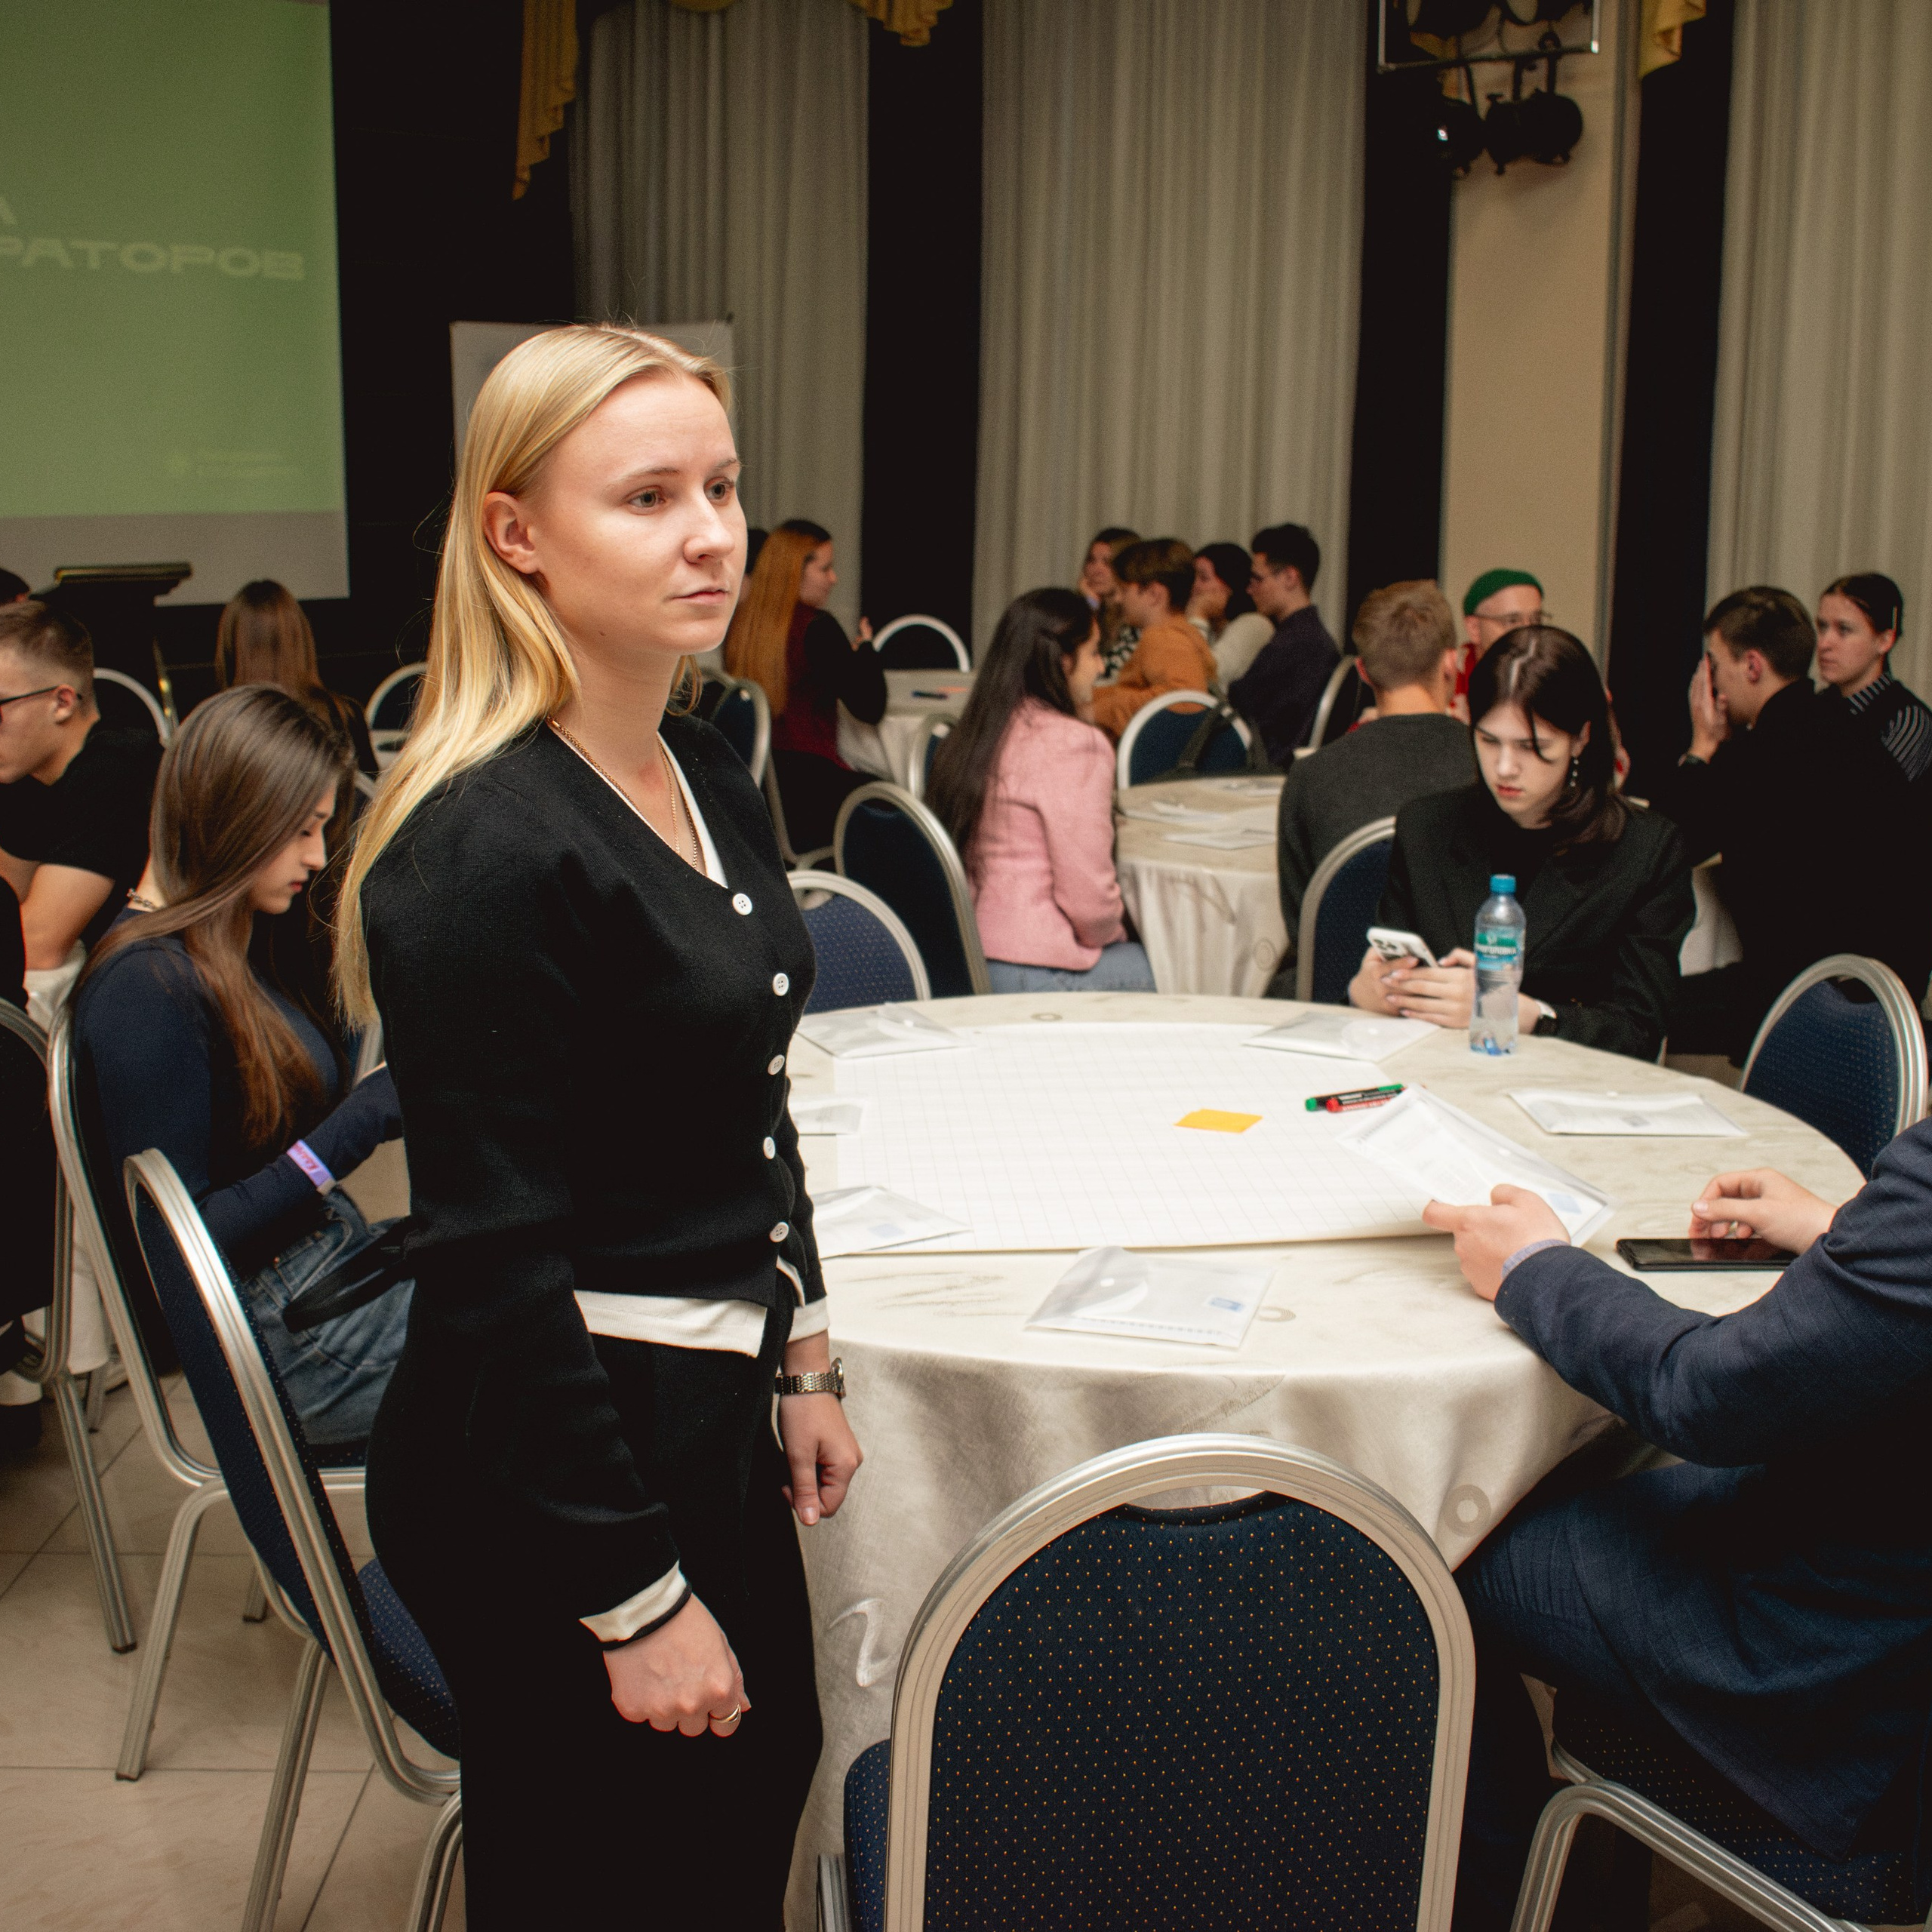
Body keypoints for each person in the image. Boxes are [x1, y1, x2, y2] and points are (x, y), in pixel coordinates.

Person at [334, 324, 861, 1927]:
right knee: (613, 1872)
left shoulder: (700, 759)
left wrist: (805, 1345)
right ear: (516, 536)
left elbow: (745, 1098)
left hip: (698, 1399)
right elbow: (493, 1264)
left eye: (721, 485)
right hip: (553, 1454)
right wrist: (628, 1600)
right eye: (645, 496)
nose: (711, 532)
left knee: (732, 1822)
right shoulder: (480, 841)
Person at [1423, 1126, 1932, 1932]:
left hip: (1844, 1676)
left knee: (1438, 1563)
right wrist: (1856, 1236)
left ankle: (1521, 1904)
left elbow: (1704, 1393)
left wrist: (1534, 1267)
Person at [70, 687, 410, 1444]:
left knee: (553, 1280)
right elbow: (186, 1240)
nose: (317, 857)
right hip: (291, 1342)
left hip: (313, 1284)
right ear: (235, 816)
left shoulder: (208, 948)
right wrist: (356, 1125)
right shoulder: (145, 987)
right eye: (300, 831)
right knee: (567, 1338)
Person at [1350, 626, 1693, 1062]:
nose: (1505, 768)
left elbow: (1638, 1032)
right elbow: (1389, 962)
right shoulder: (1429, 827)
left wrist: (1523, 1014)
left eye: (1532, 747)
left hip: (1571, 1092)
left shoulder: (1646, 852)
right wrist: (1370, 990)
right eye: (1489, 741)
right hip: (1435, 1076)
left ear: (1582, 739)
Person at [1654, 586, 1924, 1060]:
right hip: (1881, 995)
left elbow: (1660, 849)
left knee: (1640, 1006)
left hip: (1809, 1001)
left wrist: (1700, 748)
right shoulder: (1844, 732)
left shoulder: (1763, 755)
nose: (1711, 681)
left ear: (1753, 666)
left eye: (1714, 664)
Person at [928, 588, 1156, 993]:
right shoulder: (1074, 745)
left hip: (960, 957)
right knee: (1174, 970)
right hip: (1030, 968)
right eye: (1093, 653)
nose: (1101, 667)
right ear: (1063, 661)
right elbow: (1089, 904)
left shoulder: (974, 731)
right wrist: (1116, 932)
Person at [1276, 580, 1474, 935]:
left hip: (1341, 986)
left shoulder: (1310, 777)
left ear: (1363, 671)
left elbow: (1302, 929)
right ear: (1451, 663)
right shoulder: (1490, 771)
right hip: (1462, 979)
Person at [0, 600, 160, 971]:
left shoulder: (119, 767)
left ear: (62, 702)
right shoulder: (25, 775)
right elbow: (11, 909)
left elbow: (37, 946)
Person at [724, 515, 884, 853]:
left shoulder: (745, 623)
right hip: (813, 794)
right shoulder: (816, 629)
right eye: (825, 569)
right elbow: (870, 707)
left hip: (761, 792)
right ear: (796, 571)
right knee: (897, 799)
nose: (834, 579)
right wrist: (867, 649)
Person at [216, 579, 379, 780]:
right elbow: (371, 798)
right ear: (300, 638)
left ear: (231, 645)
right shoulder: (344, 716)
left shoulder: (217, 727)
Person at [1228, 523, 1340, 764]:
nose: (1250, 589)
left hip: (1268, 774)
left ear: (1290, 578)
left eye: (1257, 579)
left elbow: (1238, 704)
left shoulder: (1295, 644)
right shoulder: (1311, 637)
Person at [1090, 537, 1218, 740]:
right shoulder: (1184, 632)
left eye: (1124, 590)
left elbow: (1185, 700)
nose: (1119, 599)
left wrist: (1101, 710)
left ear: (1154, 594)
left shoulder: (1164, 637)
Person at [1816, 572, 1932, 784]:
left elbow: (1874, 802)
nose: (1824, 643)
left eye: (1844, 629)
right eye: (1822, 627)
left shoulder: (1907, 719)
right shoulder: (1816, 706)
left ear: (1884, 640)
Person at [1457, 568, 1544, 712]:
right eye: (1512, 621)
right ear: (1475, 628)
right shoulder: (1445, 683)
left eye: (1536, 620)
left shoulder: (1555, 680)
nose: (1528, 633)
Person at [1190, 542, 1272, 685]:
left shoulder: (1255, 625)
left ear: (1230, 585)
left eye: (1203, 578)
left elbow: (1203, 676)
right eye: (1193, 578)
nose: (1194, 586)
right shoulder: (1213, 628)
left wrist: (1198, 616)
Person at [1080, 525, 1140, 674]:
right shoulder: (1088, 610)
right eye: (1092, 561)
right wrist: (1090, 605)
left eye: (1107, 563)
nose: (1096, 570)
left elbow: (1105, 672)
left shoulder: (1136, 621)